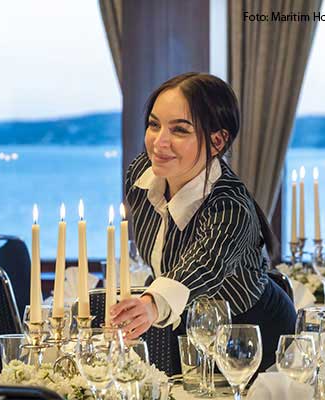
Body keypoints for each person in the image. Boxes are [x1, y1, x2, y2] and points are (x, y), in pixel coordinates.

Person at [109, 72, 296, 372]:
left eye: (180, 130)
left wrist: (151, 304)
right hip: (187, 329)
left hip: (252, 335)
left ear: (217, 141)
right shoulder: (141, 175)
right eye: (154, 125)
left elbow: (204, 265)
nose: (159, 142)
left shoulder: (230, 207)